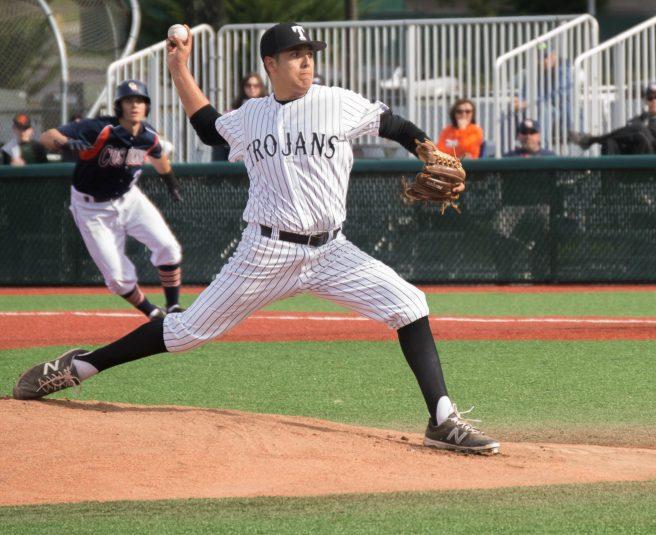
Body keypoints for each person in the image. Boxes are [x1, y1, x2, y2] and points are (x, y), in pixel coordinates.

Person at [12, 23, 499, 456]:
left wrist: (425, 149)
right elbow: (207, 128)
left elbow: (391, 122)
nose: (307, 60)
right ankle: (78, 368)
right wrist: (180, 69)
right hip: (266, 250)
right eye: (296, 54)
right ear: (271, 63)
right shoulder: (251, 115)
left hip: (332, 250)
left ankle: (442, 420)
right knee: (184, 333)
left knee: (409, 303)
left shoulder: (337, 102)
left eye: (311, 53)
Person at [36, 79, 185, 321]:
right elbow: (46, 136)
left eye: (140, 101)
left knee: (169, 247)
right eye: (129, 100)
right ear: (119, 106)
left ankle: (174, 307)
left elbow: (159, 157)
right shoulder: (100, 128)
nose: (135, 105)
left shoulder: (148, 136)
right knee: (116, 278)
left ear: (146, 106)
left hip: (129, 197)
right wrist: (65, 142)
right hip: (91, 207)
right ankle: (152, 311)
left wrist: (171, 183)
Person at [571, 83, 656, 155]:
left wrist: (654, 140)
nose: (654, 101)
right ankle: (608, 188)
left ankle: (591, 140)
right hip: (633, 158)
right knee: (610, 142)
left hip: (655, 161)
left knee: (639, 130)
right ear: (646, 101)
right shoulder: (639, 119)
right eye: (650, 98)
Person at [212, 73, 270, 161]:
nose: (251, 88)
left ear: (261, 87)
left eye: (256, 85)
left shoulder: (269, 109)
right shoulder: (233, 111)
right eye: (248, 85)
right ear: (243, 87)